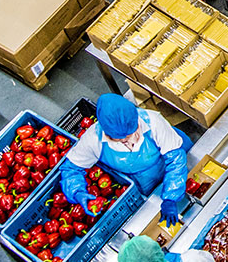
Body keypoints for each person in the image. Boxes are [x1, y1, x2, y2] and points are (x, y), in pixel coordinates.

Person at [60, 95, 190, 227]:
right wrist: (78, 192)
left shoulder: (153, 122)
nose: (124, 140)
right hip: (143, 182)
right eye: (115, 138)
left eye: (129, 134)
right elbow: (71, 169)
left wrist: (171, 196)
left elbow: (175, 159)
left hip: (174, 168)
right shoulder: (93, 139)